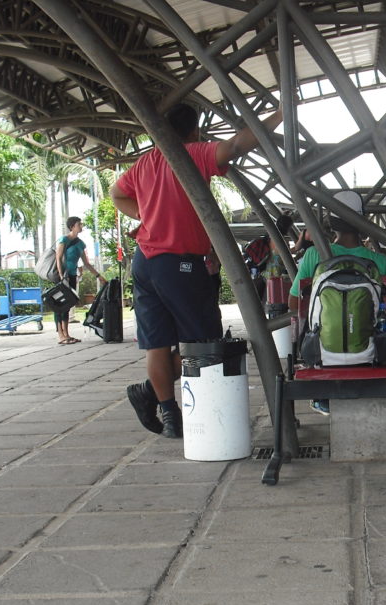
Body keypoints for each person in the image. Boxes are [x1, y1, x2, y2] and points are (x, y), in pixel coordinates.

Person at [112, 101, 283, 439]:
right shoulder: (192, 153)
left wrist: (145, 215)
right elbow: (234, 146)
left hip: (145, 261)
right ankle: (149, 393)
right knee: (204, 345)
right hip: (180, 264)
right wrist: (279, 115)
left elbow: (116, 193)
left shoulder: (146, 162)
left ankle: (171, 416)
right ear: (194, 131)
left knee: (157, 346)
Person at [288, 190, 386, 416]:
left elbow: (293, 302)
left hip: (323, 352)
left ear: (332, 223)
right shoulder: (380, 261)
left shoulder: (314, 255)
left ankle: (322, 397)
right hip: (369, 351)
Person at [53, 216, 106, 345]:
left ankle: (67, 334)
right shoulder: (63, 240)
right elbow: (58, 258)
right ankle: (60, 335)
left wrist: (98, 276)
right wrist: (61, 275)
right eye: (79, 224)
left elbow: (86, 263)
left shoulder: (80, 243)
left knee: (67, 304)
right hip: (61, 276)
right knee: (59, 305)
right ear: (72, 227)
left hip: (72, 276)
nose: (81, 226)